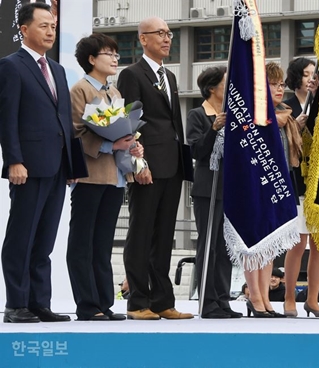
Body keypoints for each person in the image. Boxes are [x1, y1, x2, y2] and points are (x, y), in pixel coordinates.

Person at [0, 3, 77, 323]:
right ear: (24, 29)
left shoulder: (58, 69)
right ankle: (16, 304)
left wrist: (73, 166)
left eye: (53, 27)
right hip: (28, 166)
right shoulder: (11, 66)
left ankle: (39, 303)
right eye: (43, 25)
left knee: (45, 238)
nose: (50, 31)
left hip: (58, 166)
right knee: (22, 236)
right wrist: (14, 160)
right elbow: (8, 118)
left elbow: (64, 120)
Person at [117, 17, 192, 320]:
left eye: (169, 33)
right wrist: (138, 163)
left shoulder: (169, 76)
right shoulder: (131, 75)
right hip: (147, 165)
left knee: (164, 235)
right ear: (143, 39)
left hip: (172, 164)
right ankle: (137, 301)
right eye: (160, 33)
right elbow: (130, 123)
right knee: (141, 233)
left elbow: (173, 122)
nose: (167, 38)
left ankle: (163, 301)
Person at [67, 33, 143, 321]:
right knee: (82, 243)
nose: (115, 58)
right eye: (108, 54)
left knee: (102, 243)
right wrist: (113, 144)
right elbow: (77, 133)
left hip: (115, 177)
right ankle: (87, 305)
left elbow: (123, 130)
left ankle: (104, 303)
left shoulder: (114, 93)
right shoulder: (80, 90)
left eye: (115, 54)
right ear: (91, 59)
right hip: (90, 176)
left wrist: (131, 143)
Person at [239, 62, 302, 318]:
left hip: (279, 182)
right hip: (255, 183)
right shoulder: (252, 113)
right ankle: (253, 295)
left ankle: (265, 297)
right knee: (254, 242)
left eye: (281, 84)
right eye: (273, 84)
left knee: (271, 245)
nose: (279, 89)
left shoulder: (285, 115)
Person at [185, 66, 242, 319]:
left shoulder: (233, 115)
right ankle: (207, 302)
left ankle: (222, 299)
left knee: (225, 246)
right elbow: (197, 152)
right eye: (225, 83)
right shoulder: (197, 115)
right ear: (212, 88)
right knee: (208, 246)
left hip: (229, 189)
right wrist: (214, 128)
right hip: (207, 189)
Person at [281, 58, 319, 318]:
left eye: (315, 75)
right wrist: (294, 128)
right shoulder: (285, 106)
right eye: (307, 74)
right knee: (298, 244)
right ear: (297, 77)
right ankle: (289, 297)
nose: (312, 79)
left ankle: (313, 299)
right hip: (296, 180)